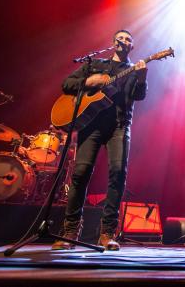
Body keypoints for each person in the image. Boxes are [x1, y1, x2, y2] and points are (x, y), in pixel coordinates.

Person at [52, 29, 147, 251]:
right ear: (113, 42)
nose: (123, 41)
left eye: (128, 39)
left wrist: (142, 78)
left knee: (118, 174)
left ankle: (107, 233)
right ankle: (70, 231)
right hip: (91, 125)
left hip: (119, 126)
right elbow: (67, 84)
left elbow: (139, 95)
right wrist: (89, 80)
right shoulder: (95, 64)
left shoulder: (132, 70)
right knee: (80, 173)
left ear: (132, 46)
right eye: (120, 38)